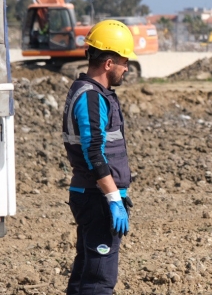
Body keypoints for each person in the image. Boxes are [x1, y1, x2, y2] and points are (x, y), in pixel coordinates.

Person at [62, 19, 136, 294]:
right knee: (98, 280)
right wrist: (114, 199)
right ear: (108, 63)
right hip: (97, 198)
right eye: (124, 62)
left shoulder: (93, 93)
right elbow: (94, 151)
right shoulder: (91, 97)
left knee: (85, 273)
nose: (127, 68)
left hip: (93, 196)